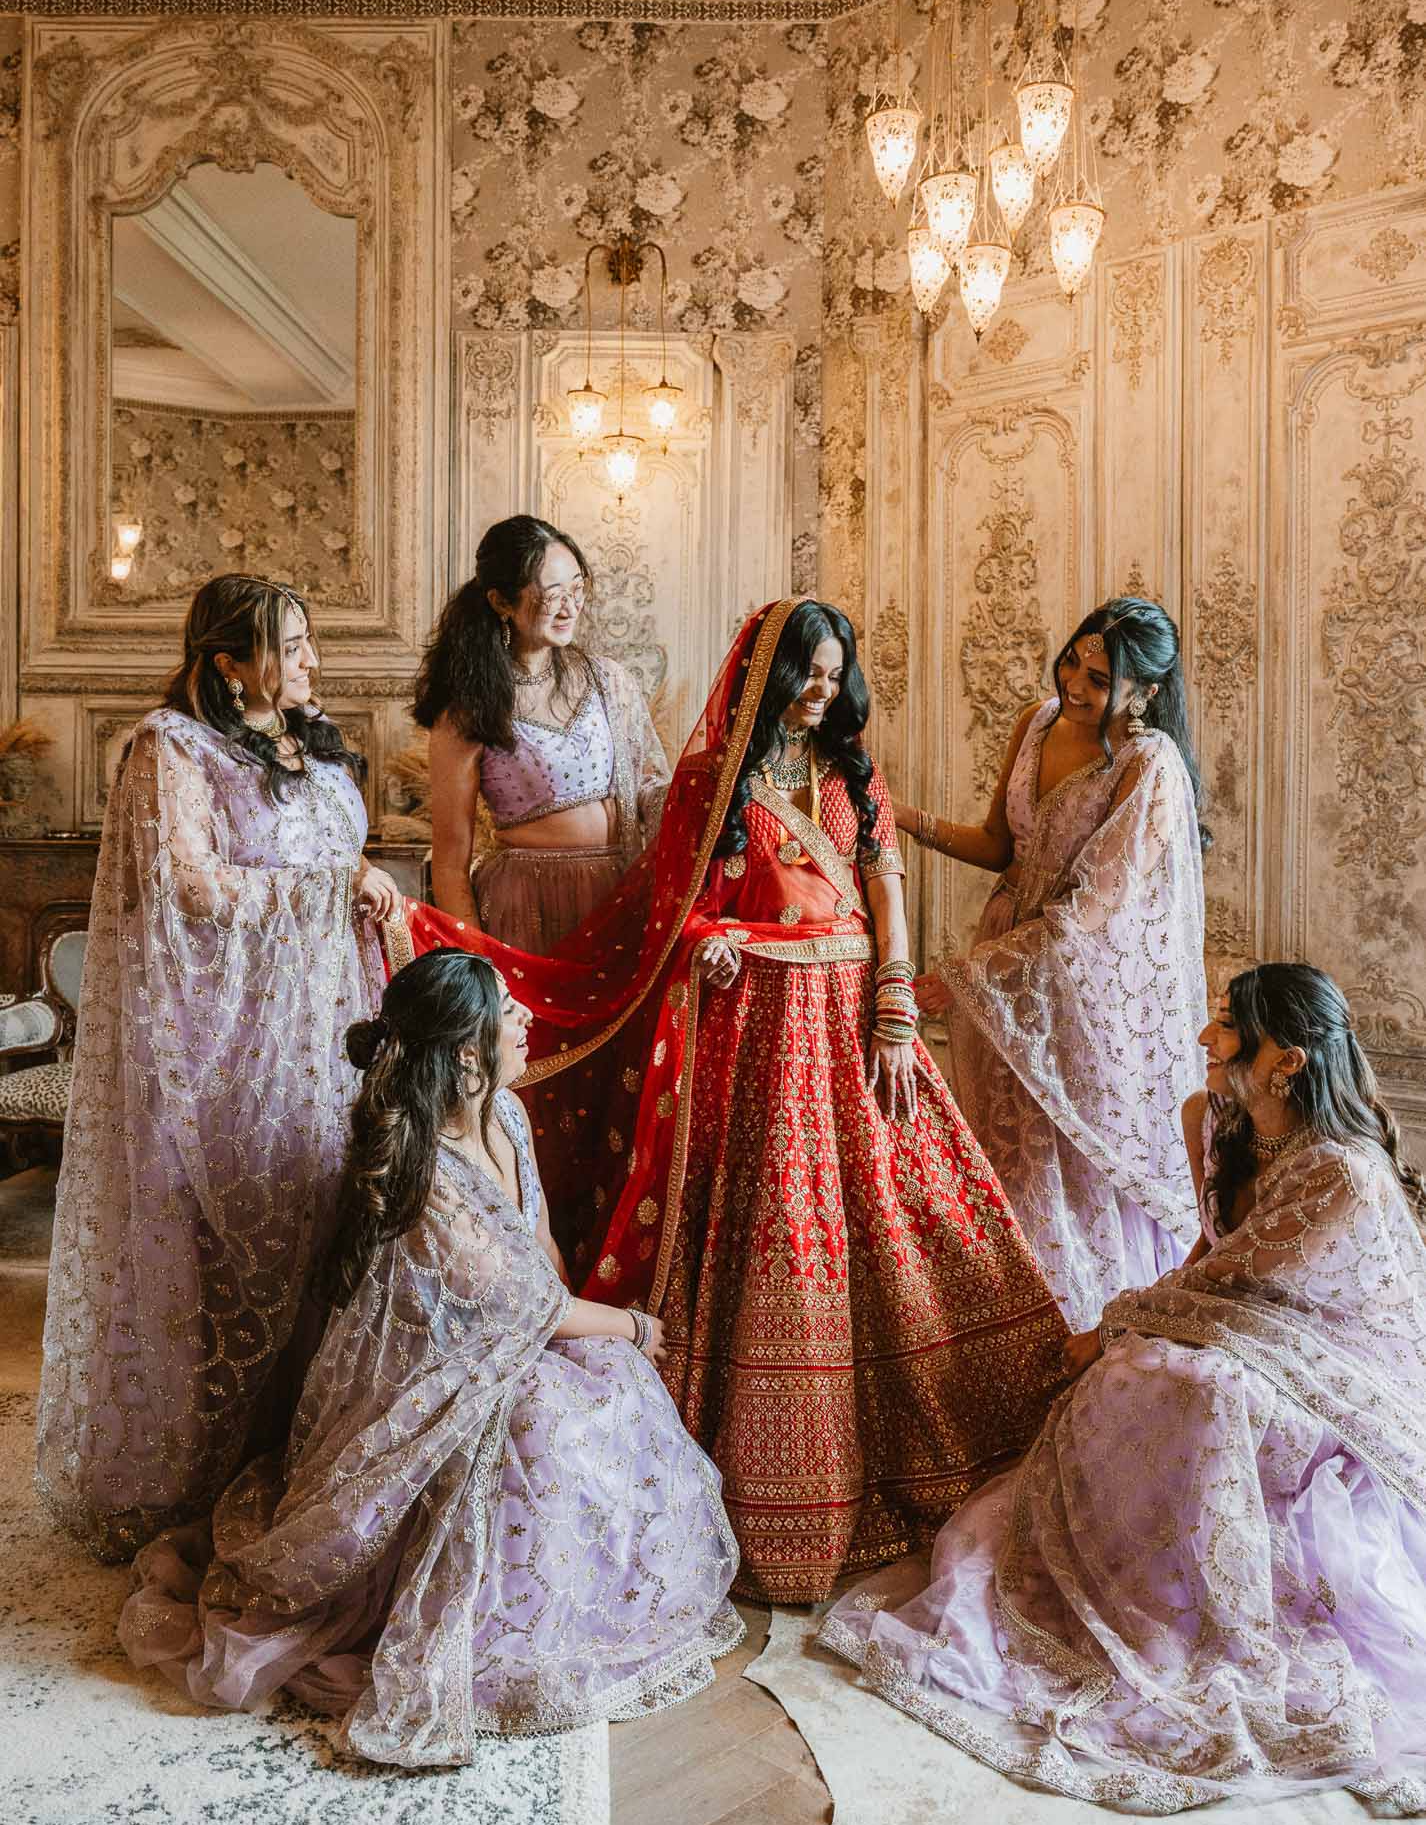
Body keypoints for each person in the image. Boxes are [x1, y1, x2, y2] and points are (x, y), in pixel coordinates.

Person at [386, 600, 1067, 1605]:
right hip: (754, 1033)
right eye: (808, 670)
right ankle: (765, 1481)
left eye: (836, 673)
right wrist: (711, 934)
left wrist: (894, 999)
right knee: (772, 1236)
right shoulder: (710, 783)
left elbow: (884, 886)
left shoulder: (852, 774)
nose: (822, 688)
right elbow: (680, 907)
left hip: (849, 1020)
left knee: (905, 1220)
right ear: (766, 673)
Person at [821, 964, 1426, 1816]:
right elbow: (1210, 1265)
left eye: (1226, 1026)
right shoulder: (1216, 1123)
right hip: (1247, 1327)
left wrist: (1110, 1329)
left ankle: (1189, 1623)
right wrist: (1124, 1334)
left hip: (1335, 1368)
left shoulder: (1342, 1171)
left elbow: (1247, 1283)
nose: (1206, 1040)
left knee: (1190, 1384)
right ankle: (1131, 1588)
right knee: (1152, 1372)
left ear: (1286, 1061)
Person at [118, 949, 743, 1762]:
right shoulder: (426, 1169)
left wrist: (598, 1338)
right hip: (431, 1371)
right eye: (508, 1010)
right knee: (552, 1412)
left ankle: (591, 1600)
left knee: (606, 1387)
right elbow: (522, 1305)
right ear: (466, 1053)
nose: (526, 1020)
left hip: (509, 1340)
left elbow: (540, 1251)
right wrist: (630, 1324)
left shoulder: (508, 1117)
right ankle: (498, 1623)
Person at [35, 575, 399, 1562]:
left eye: (312, 638)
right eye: (292, 642)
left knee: (327, 1217)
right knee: (223, 1251)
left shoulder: (308, 745)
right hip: (225, 1045)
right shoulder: (171, 747)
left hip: (325, 1025)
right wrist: (332, 884)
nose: (314, 659)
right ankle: (198, 1474)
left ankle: (299, 1455)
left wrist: (363, 895)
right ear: (228, 661)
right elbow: (183, 884)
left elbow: (336, 858)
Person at [909, 597, 1208, 1330]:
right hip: (1003, 960)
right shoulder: (1038, 722)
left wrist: (963, 976)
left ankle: (1067, 1328)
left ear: (1147, 693)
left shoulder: (1150, 767)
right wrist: (901, 819)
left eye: (1100, 678)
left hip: (1077, 986)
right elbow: (996, 845)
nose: (1076, 682)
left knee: (1060, 1167)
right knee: (999, 1151)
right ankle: (992, 1323)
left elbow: (1084, 919)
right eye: (1074, 658)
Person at [413, 515, 669, 952]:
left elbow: (649, 784)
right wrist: (481, 965)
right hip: (526, 904)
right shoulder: (469, 709)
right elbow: (451, 864)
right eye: (553, 594)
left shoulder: (608, 680)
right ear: (501, 602)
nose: (570, 607)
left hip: (618, 894)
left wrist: (709, 791)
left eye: (577, 589)